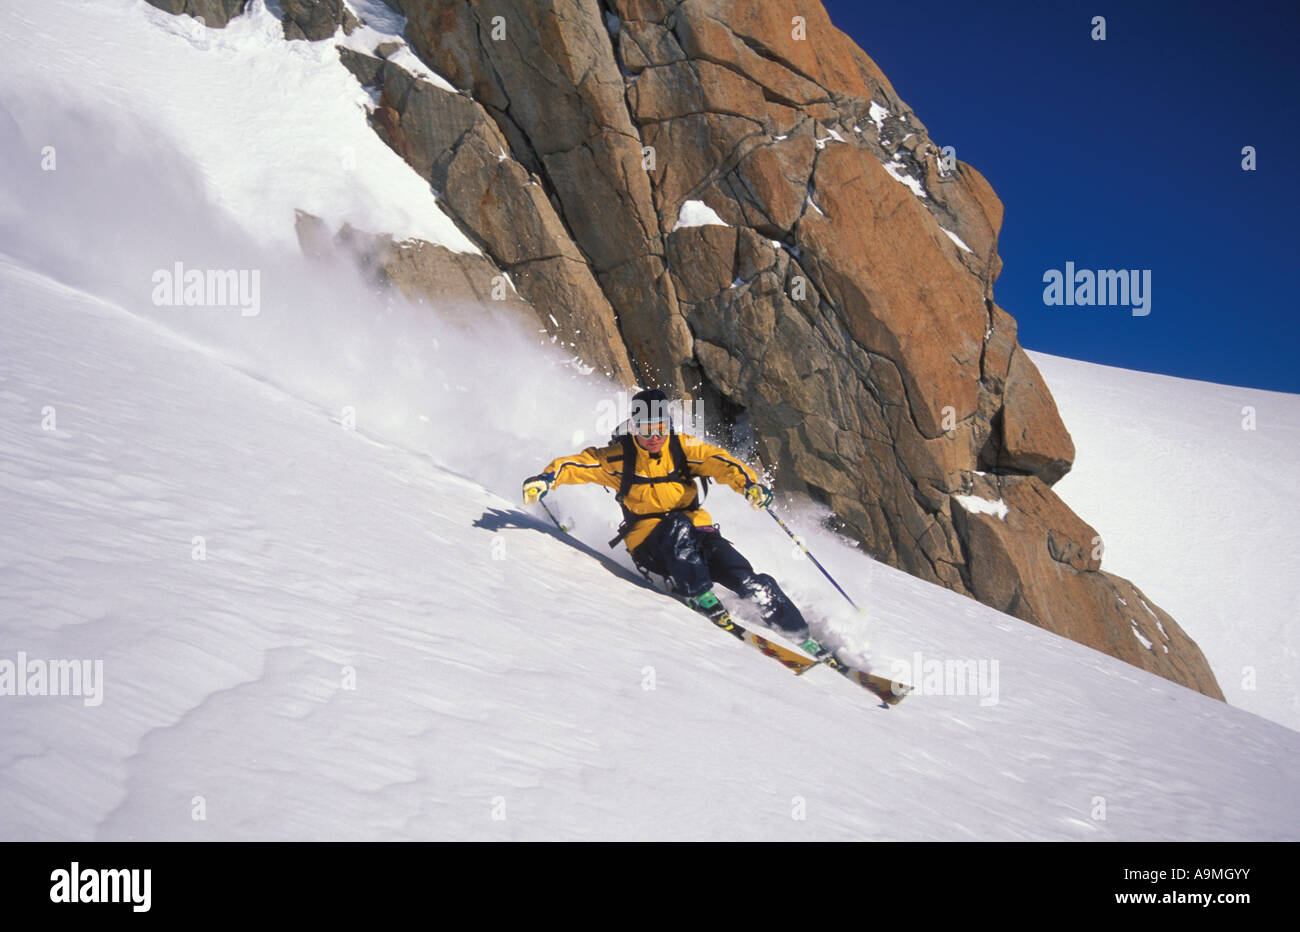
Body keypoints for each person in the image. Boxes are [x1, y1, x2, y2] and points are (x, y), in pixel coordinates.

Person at [522, 388, 826, 653]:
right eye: (645, 431)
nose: (654, 438)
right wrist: (545, 480)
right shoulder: (618, 458)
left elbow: (721, 462)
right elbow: (575, 465)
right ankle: (698, 595)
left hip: (697, 534)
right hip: (650, 545)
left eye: (660, 429)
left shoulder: (682, 448)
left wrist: (750, 485)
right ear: (633, 429)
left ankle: (800, 634)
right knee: (677, 526)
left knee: (745, 576)